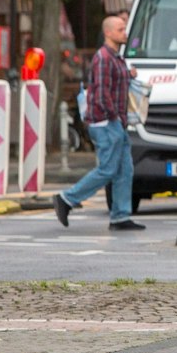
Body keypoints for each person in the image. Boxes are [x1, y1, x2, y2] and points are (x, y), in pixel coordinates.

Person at [54, 15, 142, 231]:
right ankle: (67, 198)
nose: (125, 33)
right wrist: (115, 117)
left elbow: (113, 82)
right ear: (108, 33)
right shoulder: (103, 58)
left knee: (125, 170)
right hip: (106, 122)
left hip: (115, 122)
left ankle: (120, 216)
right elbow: (102, 93)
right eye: (120, 29)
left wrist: (128, 75)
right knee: (108, 169)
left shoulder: (115, 58)